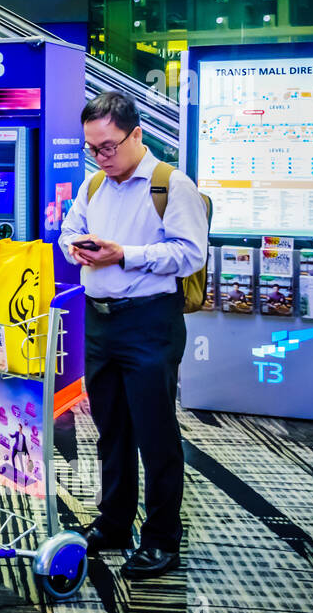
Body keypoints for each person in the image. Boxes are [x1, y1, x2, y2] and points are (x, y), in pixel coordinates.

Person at [59, 91, 208, 581]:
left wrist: (126, 253)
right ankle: (115, 522)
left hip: (150, 323)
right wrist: (78, 249)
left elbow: (190, 254)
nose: (100, 157)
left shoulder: (171, 185)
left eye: (107, 147)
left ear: (136, 134)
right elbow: (68, 231)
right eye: (92, 148)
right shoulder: (94, 184)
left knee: (156, 434)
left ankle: (163, 538)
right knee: (111, 430)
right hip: (100, 323)